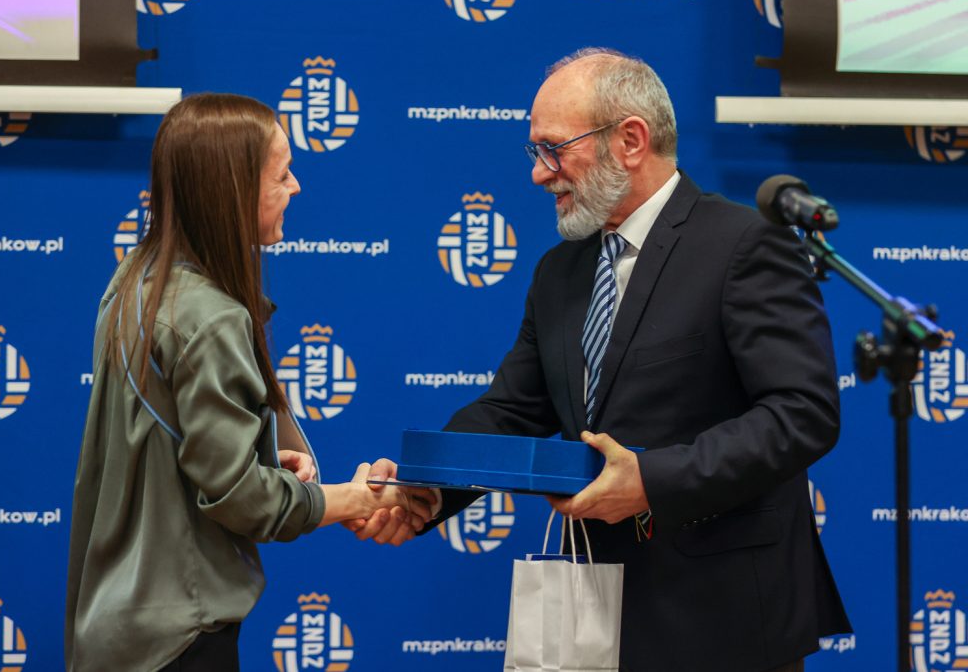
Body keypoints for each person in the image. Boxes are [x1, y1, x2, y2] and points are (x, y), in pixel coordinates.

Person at [352, 49, 852, 671]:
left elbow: (802, 414)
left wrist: (651, 481)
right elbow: (512, 410)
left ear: (631, 141)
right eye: (535, 151)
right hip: (595, 615)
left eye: (553, 149)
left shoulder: (745, 244)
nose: (539, 174)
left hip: (724, 616)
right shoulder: (560, 270)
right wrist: (424, 486)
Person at [65, 93, 433, 672]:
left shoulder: (134, 282)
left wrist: (257, 453)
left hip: (118, 626)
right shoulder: (210, 317)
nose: (297, 187)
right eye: (282, 175)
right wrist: (356, 498)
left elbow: (172, 450)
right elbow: (241, 499)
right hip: (178, 636)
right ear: (234, 191)